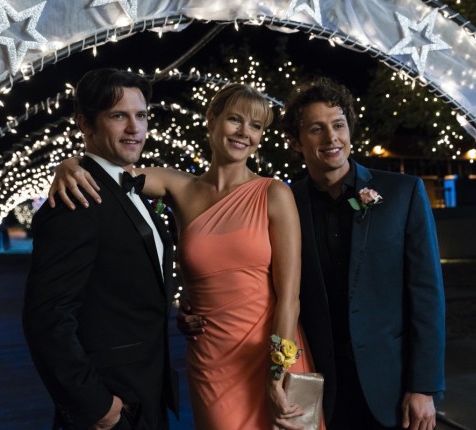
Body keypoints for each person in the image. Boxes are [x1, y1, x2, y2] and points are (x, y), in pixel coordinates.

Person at [48, 83, 321, 430]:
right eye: (235, 119)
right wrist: (70, 164)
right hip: (212, 360)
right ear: (212, 120)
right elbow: (112, 174)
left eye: (255, 126)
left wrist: (277, 371)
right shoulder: (178, 186)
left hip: (272, 353)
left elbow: (289, 298)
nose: (244, 133)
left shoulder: (275, 193)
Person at [281, 77, 445, 429]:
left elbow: (427, 296)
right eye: (316, 129)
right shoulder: (284, 203)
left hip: (391, 387)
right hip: (315, 386)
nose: (331, 138)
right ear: (295, 142)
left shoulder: (403, 193)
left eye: (338, 125)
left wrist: (424, 386)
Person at [23, 68, 180, 430]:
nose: (134, 128)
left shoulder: (128, 185)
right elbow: (46, 318)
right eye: (118, 116)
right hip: (111, 404)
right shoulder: (76, 200)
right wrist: (96, 406)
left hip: (146, 393)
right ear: (85, 123)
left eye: (141, 115)